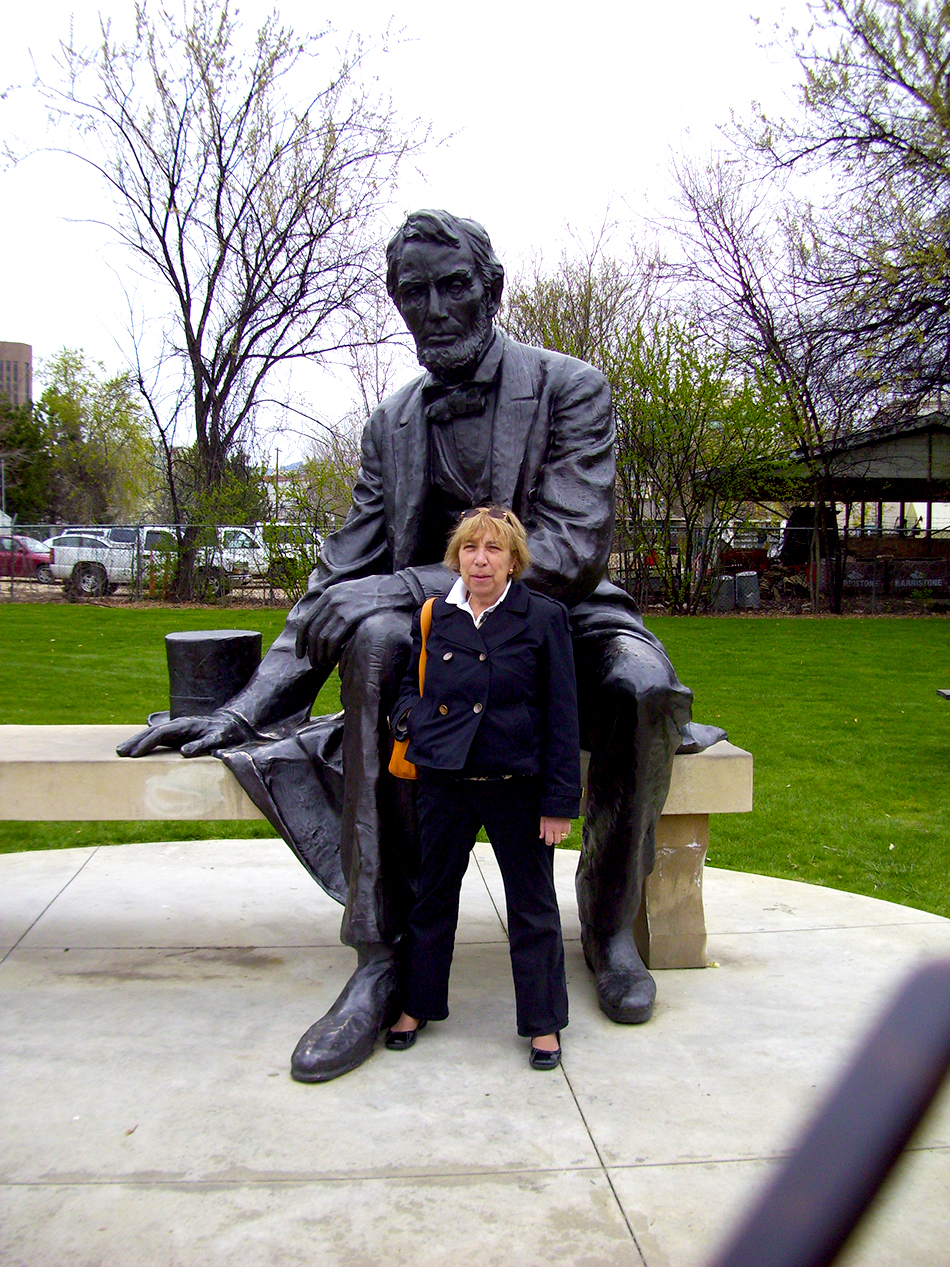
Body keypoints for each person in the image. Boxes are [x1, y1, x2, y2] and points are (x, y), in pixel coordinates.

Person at [118, 209, 721, 1084]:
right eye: (413, 293)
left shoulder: (571, 389)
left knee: (638, 687)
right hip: (441, 642)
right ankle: (377, 956)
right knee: (372, 640)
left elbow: (565, 552)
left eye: (453, 286)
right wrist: (245, 709)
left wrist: (403, 584)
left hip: (559, 620)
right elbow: (337, 580)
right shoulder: (392, 424)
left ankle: (608, 923)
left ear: (492, 289)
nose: (434, 309)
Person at [385, 506, 579, 1070]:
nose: (480, 560)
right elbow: (409, 686)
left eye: (494, 549)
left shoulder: (543, 617)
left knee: (532, 907)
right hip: (445, 782)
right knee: (431, 899)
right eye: (470, 548)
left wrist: (558, 804)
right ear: (457, 557)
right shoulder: (435, 615)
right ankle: (417, 1005)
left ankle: (543, 1023)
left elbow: (563, 715)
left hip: (518, 785)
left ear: (513, 560)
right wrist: (414, 722)